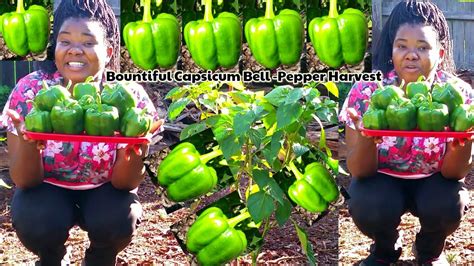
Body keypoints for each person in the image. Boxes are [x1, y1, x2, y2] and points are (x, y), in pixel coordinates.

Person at [1, 0, 162, 265]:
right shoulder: (31, 92)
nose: (75, 50)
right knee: (36, 220)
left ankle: (99, 259)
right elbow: (24, 180)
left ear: (109, 51)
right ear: (55, 48)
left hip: (104, 190)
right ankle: (52, 258)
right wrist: (30, 142)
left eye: (88, 43)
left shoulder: (128, 97)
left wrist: (134, 152)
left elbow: (126, 184)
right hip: (46, 189)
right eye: (65, 42)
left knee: (120, 217)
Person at [339, 1, 472, 265]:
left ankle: (430, 250)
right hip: (382, 181)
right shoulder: (367, 92)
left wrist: (460, 145)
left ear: (441, 53)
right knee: (366, 202)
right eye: (402, 46)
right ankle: (386, 248)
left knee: (448, 203)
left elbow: (455, 174)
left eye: (423, 47)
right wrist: (368, 138)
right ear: (391, 50)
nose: (411, 54)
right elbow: (358, 170)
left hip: (435, 182)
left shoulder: (459, 96)